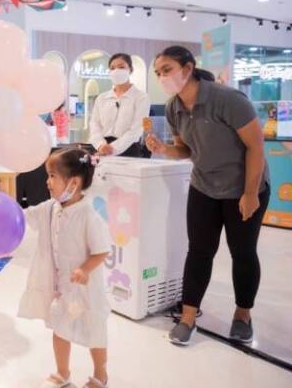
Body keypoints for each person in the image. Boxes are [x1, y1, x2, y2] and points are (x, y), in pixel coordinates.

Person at [146, 45, 270, 346]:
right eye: (158, 72)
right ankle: (188, 317)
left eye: (167, 69)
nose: (162, 77)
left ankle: (243, 314)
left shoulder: (227, 99)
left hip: (243, 186)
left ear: (188, 68)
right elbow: (186, 150)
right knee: (199, 251)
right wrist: (164, 149)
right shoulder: (174, 107)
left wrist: (250, 193)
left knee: (243, 252)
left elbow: (256, 146)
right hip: (204, 186)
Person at [19, 148, 112, 388]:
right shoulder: (52, 207)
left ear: (74, 182)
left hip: (87, 290)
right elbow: (27, 215)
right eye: (48, 175)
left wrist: (85, 269)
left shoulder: (88, 214)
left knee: (94, 332)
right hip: (64, 287)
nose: (47, 182)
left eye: (53, 176)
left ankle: (100, 375)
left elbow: (102, 250)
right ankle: (63, 373)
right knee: (60, 329)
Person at [89, 53, 150, 157]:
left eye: (121, 67)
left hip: (128, 150)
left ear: (130, 69)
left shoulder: (141, 97)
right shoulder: (102, 98)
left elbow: (137, 129)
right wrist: (100, 145)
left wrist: (113, 148)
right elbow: (94, 124)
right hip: (101, 149)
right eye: (112, 68)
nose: (116, 71)